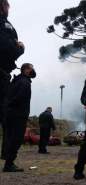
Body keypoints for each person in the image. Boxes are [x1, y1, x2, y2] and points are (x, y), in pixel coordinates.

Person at [0, 0, 25, 160]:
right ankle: (8, 160)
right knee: (7, 124)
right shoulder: (3, 24)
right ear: (3, 6)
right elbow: (9, 48)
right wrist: (20, 48)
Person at [3, 63, 36, 172]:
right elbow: (20, 97)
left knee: (9, 138)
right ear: (26, 70)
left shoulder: (15, 81)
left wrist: (8, 106)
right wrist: (11, 105)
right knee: (16, 139)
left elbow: (9, 96)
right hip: (19, 114)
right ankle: (9, 165)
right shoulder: (25, 82)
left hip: (10, 114)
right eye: (31, 69)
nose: (33, 71)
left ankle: (8, 162)